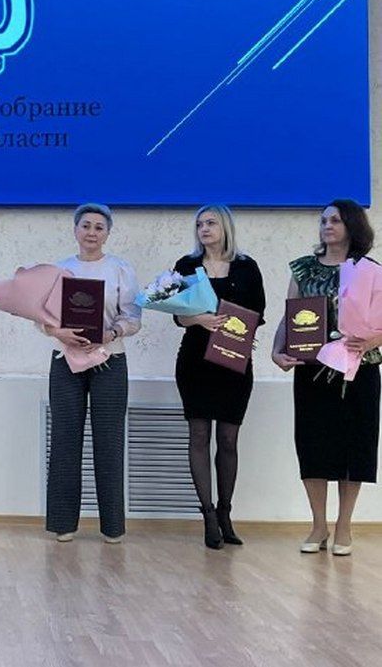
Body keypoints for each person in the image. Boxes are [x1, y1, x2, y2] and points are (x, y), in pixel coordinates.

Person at [272, 199, 381, 557]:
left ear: (352, 225)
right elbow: (289, 315)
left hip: (359, 370)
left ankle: (344, 525)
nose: (327, 226)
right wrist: (277, 350)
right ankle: (318, 524)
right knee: (313, 445)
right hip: (313, 371)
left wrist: (374, 340)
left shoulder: (370, 270)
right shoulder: (303, 269)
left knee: (355, 447)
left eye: (335, 220)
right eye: (323, 221)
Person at [42, 204, 141, 543]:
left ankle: (112, 527)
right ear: (75, 230)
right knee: (65, 441)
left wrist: (111, 334)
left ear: (107, 233)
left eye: (99, 227)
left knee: (109, 443)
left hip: (110, 361)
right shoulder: (59, 270)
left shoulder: (120, 269)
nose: (92, 232)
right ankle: (63, 524)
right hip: (65, 362)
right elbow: (43, 317)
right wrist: (59, 332)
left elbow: (133, 317)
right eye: (86, 226)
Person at [172, 205, 265, 549]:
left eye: (211, 222)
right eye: (199, 224)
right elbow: (177, 315)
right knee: (198, 435)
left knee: (228, 439)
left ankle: (226, 512)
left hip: (232, 359)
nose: (204, 228)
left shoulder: (246, 266)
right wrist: (200, 319)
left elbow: (258, 312)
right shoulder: (186, 266)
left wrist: (236, 326)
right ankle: (208, 515)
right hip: (195, 361)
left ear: (225, 227)